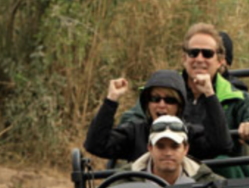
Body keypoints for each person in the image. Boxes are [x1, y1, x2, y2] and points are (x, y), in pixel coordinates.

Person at [120, 23, 249, 177]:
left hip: (218, 177)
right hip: (168, 171)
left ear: (220, 60)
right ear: (184, 58)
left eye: (207, 54)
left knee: (223, 162)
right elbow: (131, 120)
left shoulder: (234, 96)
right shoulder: (166, 92)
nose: (199, 59)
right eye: (193, 53)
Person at [83, 70, 231, 163]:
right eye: (155, 99)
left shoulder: (190, 133)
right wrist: (111, 100)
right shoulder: (135, 132)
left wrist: (209, 94)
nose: (161, 105)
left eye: (170, 100)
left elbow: (221, 144)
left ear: (180, 106)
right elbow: (95, 145)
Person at [122, 116, 222, 186]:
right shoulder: (124, 179)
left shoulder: (207, 181)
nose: (168, 153)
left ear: (185, 149)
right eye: (160, 146)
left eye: (175, 147)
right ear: (150, 148)